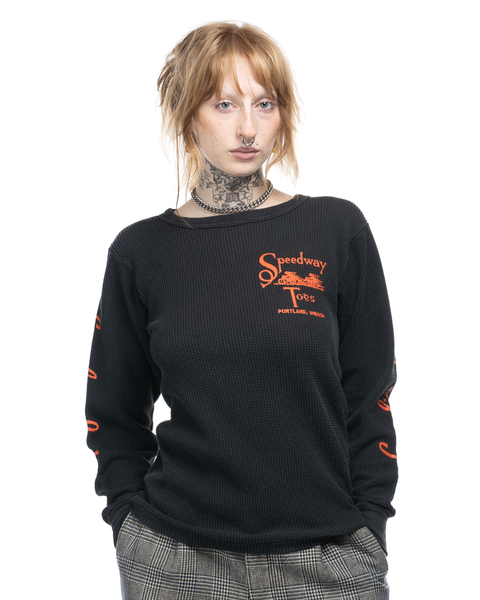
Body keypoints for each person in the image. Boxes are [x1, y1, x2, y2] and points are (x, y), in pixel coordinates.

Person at [86, 21, 398, 600]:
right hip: (175, 559)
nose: (248, 127)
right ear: (187, 113)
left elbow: (370, 394)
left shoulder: (336, 230)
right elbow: (113, 412)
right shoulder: (140, 252)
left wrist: (369, 529)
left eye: (265, 103)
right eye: (224, 104)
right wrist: (129, 525)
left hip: (327, 557)